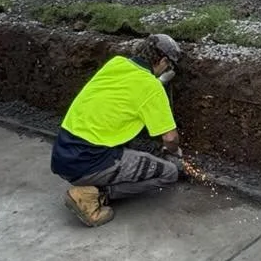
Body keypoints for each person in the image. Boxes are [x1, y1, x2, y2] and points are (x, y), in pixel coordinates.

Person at [51, 33, 185, 227]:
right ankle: (93, 196)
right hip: (90, 160)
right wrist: (175, 154)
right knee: (170, 173)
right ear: (163, 60)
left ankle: (92, 185)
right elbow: (170, 138)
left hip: (63, 154)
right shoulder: (151, 88)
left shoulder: (116, 64)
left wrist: (158, 80)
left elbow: (130, 89)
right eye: (169, 65)